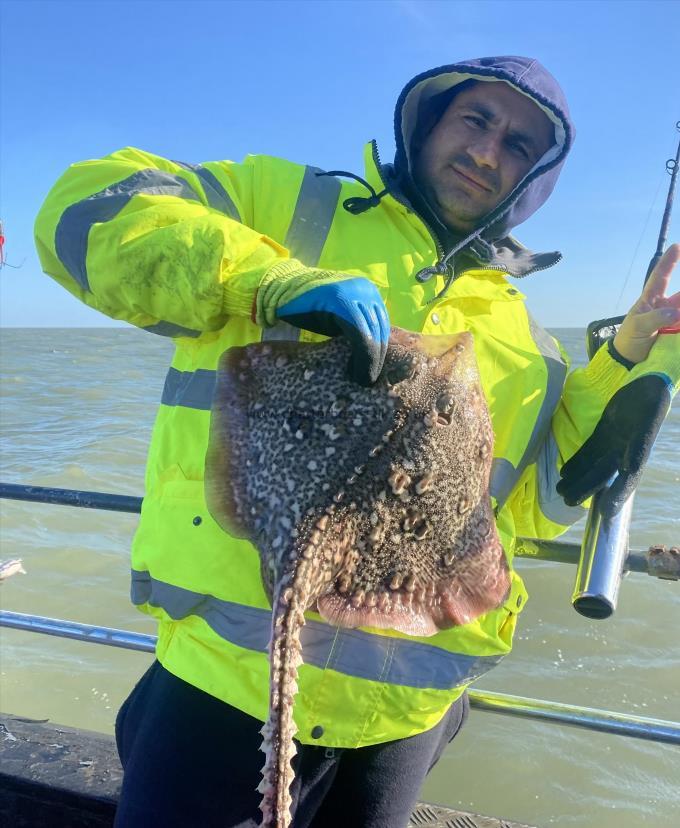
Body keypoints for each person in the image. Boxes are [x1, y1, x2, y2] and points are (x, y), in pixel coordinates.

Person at [34, 55, 680, 827]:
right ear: (427, 120)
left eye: (517, 145)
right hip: (225, 686)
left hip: (405, 718)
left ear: (533, 178)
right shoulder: (287, 208)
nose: (486, 152)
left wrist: (627, 357)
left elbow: (538, 504)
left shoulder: (523, 335)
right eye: (475, 120)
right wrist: (267, 280)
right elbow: (85, 209)